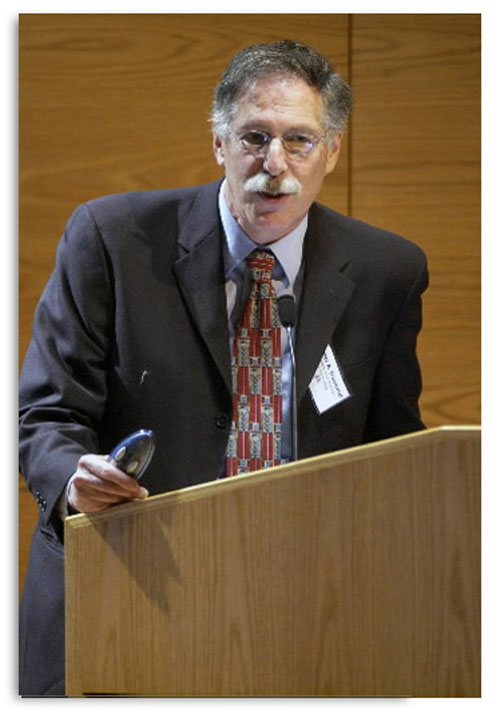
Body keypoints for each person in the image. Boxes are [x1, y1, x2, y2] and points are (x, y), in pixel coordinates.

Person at [19, 39, 428, 695]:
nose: (275, 164)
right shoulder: (112, 238)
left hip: (302, 611)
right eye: (254, 138)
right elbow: (47, 413)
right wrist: (75, 478)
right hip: (127, 590)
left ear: (332, 151)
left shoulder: (388, 272)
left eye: (299, 140)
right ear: (218, 143)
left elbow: (394, 450)